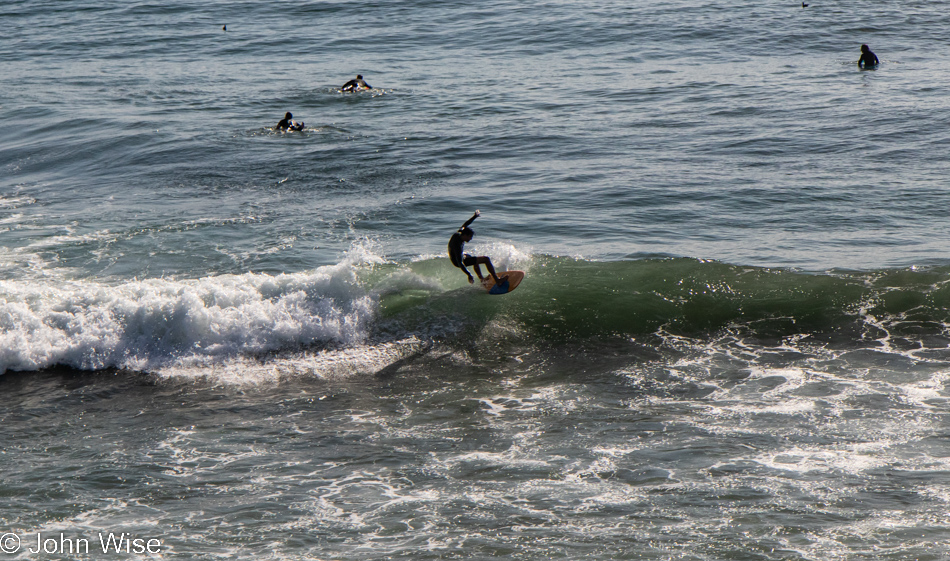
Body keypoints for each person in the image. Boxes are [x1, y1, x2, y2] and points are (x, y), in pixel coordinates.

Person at [448, 210, 507, 286]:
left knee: (474, 259)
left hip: (460, 257)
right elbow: (460, 263)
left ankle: (482, 280)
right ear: (466, 235)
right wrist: (469, 274)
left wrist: (474, 216)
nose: (470, 239)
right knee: (486, 259)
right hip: (457, 261)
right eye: (470, 237)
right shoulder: (457, 245)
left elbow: (466, 224)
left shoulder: (460, 233)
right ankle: (497, 280)